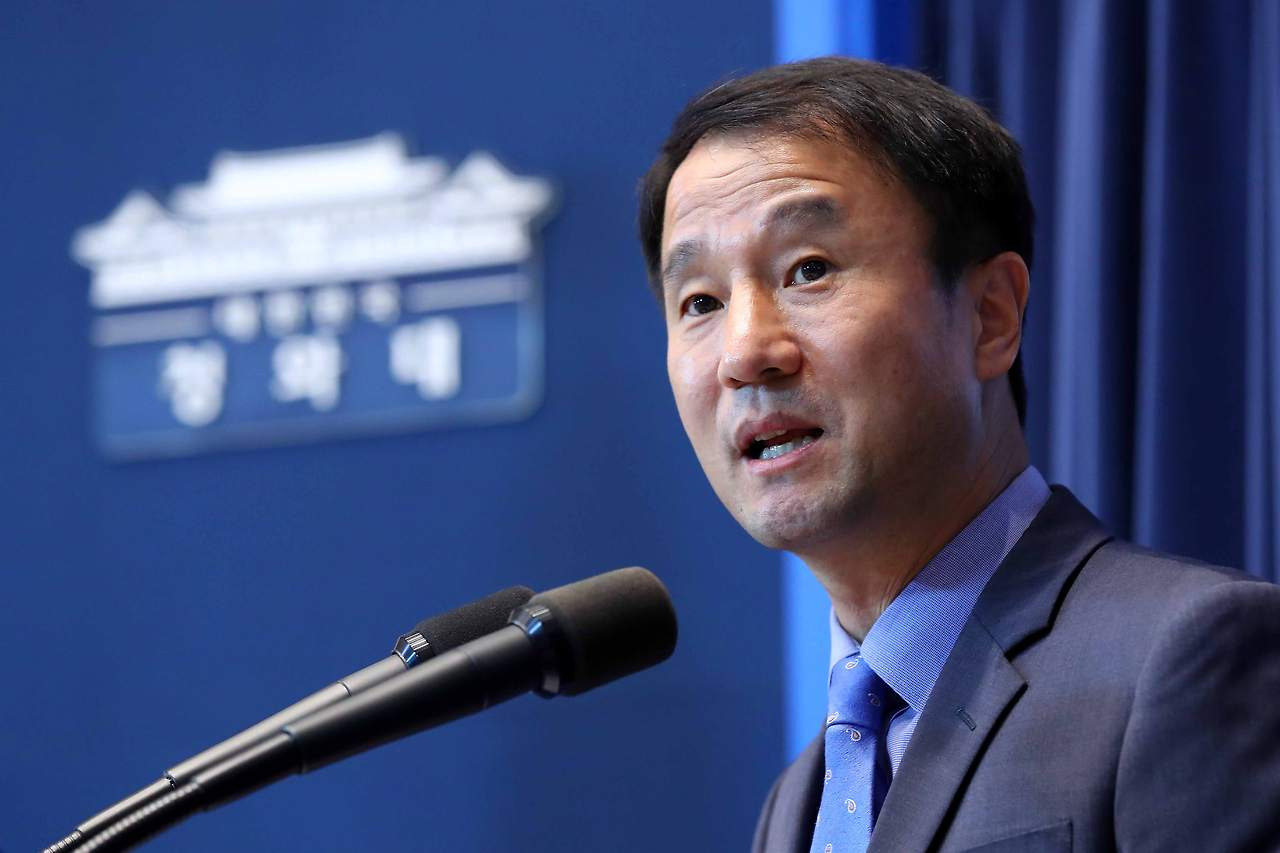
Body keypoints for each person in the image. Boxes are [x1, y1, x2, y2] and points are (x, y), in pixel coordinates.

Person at [638, 57, 1280, 852]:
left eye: (809, 270)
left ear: (991, 316)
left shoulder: (1185, 657)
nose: (745, 352)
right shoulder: (797, 804)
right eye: (700, 301)